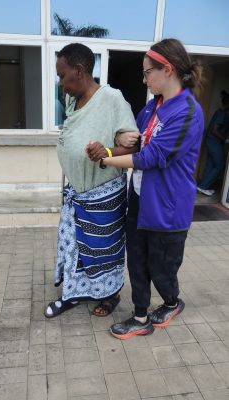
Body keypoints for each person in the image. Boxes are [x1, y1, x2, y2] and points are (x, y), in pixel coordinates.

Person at [86, 38, 204, 339]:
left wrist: (106, 161)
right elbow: (138, 144)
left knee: (162, 268)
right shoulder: (153, 108)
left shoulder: (188, 112)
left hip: (168, 207)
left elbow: (154, 157)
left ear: (167, 69)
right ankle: (140, 317)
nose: (144, 78)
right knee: (136, 260)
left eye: (147, 71)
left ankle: (172, 301)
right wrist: (110, 150)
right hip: (140, 198)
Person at [45, 43, 139, 318]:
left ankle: (111, 294)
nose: (61, 84)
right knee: (74, 245)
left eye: (63, 76)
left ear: (79, 70)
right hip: (77, 192)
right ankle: (74, 293)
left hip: (103, 195)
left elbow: (133, 146)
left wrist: (107, 151)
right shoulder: (72, 101)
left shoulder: (112, 99)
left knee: (103, 251)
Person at [197, 90, 229, 196]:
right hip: (214, 142)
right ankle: (203, 186)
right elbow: (215, 130)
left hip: (211, 142)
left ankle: (203, 187)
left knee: (210, 165)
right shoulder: (221, 114)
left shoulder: (220, 113)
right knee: (220, 165)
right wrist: (225, 139)